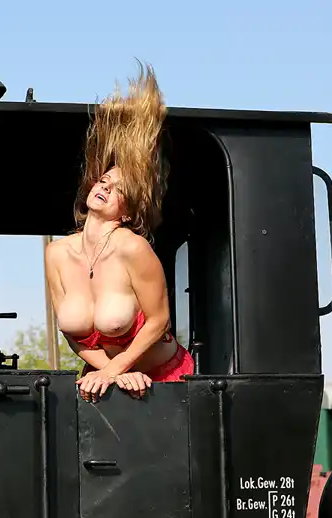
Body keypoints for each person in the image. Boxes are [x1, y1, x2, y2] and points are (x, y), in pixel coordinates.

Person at [44, 62, 194, 402]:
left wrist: (117, 369)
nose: (105, 188)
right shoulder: (56, 253)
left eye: (118, 190)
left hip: (161, 382)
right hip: (106, 379)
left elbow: (158, 322)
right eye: (103, 181)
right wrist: (109, 373)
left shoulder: (133, 248)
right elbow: (72, 336)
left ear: (128, 211)